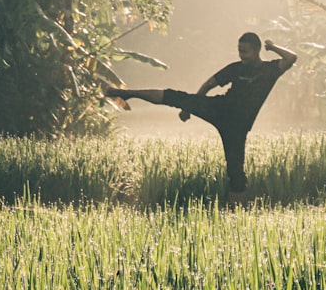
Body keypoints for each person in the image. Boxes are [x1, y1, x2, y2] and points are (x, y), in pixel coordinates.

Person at [105, 32, 298, 206]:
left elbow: (291, 58)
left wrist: (273, 47)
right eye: (239, 51)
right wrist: (190, 107)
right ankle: (128, 93)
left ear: (256, 50)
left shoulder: (270, 70)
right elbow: (208, 85)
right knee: (174, 97)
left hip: (237, 127)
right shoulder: (235, 68)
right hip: (220, 109)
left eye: (245, 52)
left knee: (236, 171)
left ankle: (236, 212)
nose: (242, 56)